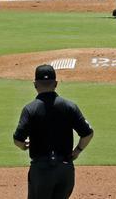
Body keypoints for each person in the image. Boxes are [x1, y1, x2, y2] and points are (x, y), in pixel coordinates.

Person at [13, 64, 94, 199]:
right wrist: (77, 151)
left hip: (41, 171)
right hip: (65, 170)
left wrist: (24, 146)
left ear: (35, 84)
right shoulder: (69, 106)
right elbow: (88, 133)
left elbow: (18, 139)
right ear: (56, 84)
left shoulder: (30, 109)